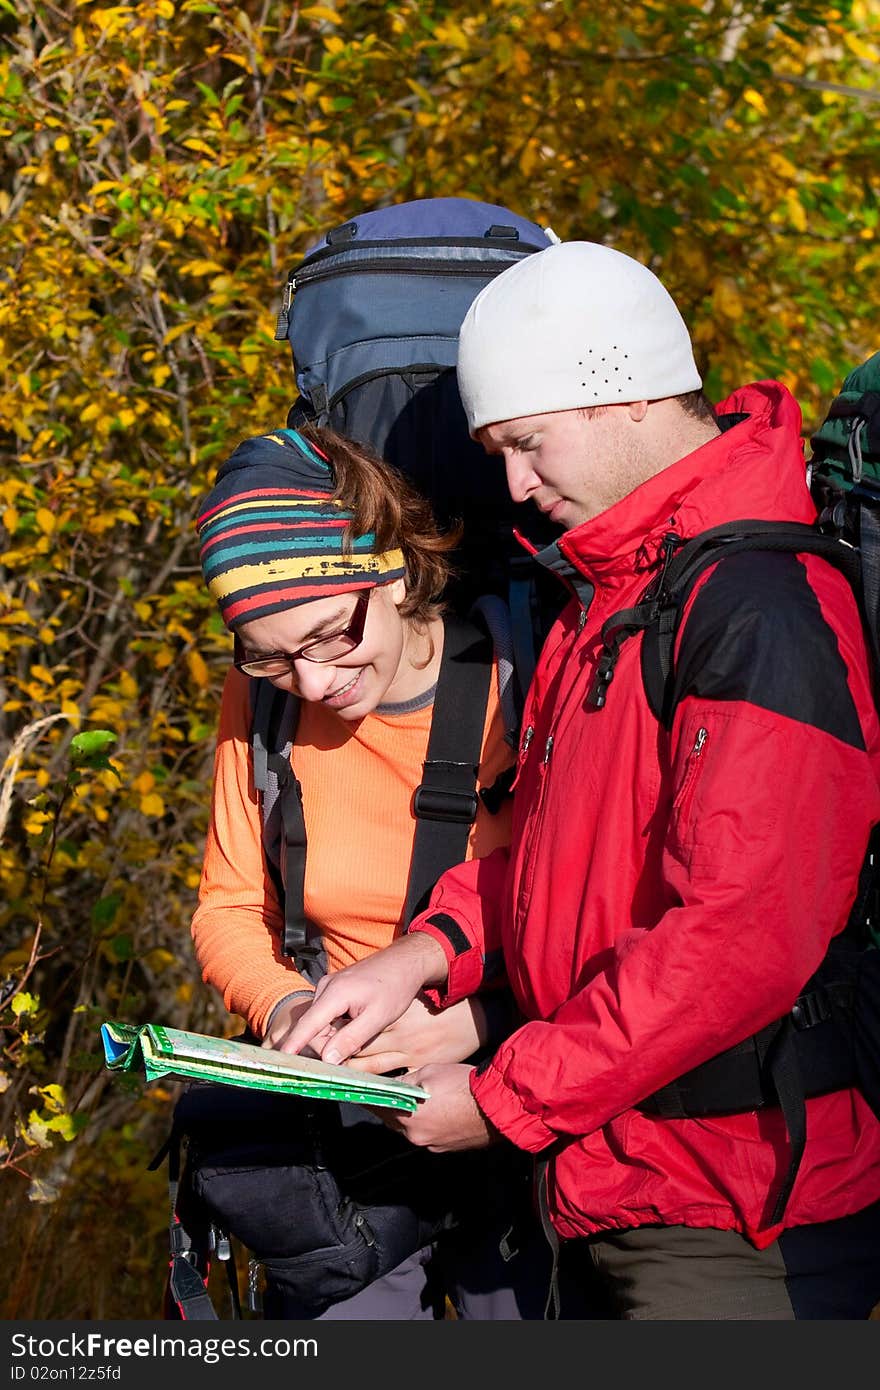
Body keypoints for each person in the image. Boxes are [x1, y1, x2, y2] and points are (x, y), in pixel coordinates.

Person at [282, 241, 880, 1320]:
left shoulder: (761, 606)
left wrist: (507, 1099)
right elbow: (553, 860)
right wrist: (423, 956)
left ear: (618, 389)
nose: (513, 483)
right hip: (606, 1177)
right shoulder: (604, 598)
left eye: (526, 442)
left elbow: (741, 934)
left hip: (737, 1212)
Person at [191, 420, 556, 1320]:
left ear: (391, 569)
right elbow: (228, 906)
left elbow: (593, 908)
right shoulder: (264, 703)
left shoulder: (527, 680)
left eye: (327, 635)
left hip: (507, 1092)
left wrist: (480, 1021)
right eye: (270, 654)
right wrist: (286, 1012)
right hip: (342, 1137)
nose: (311, 684)